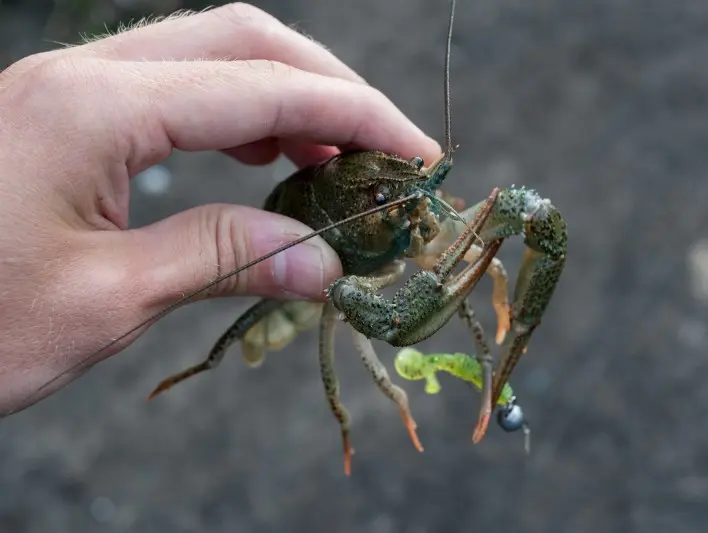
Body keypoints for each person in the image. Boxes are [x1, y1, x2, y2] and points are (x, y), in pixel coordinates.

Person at [0, 3, 440, 415]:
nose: (406, 204)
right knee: (295, 350)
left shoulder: (411, 208)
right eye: (384, 200)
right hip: (308, 289)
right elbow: (389, 323)